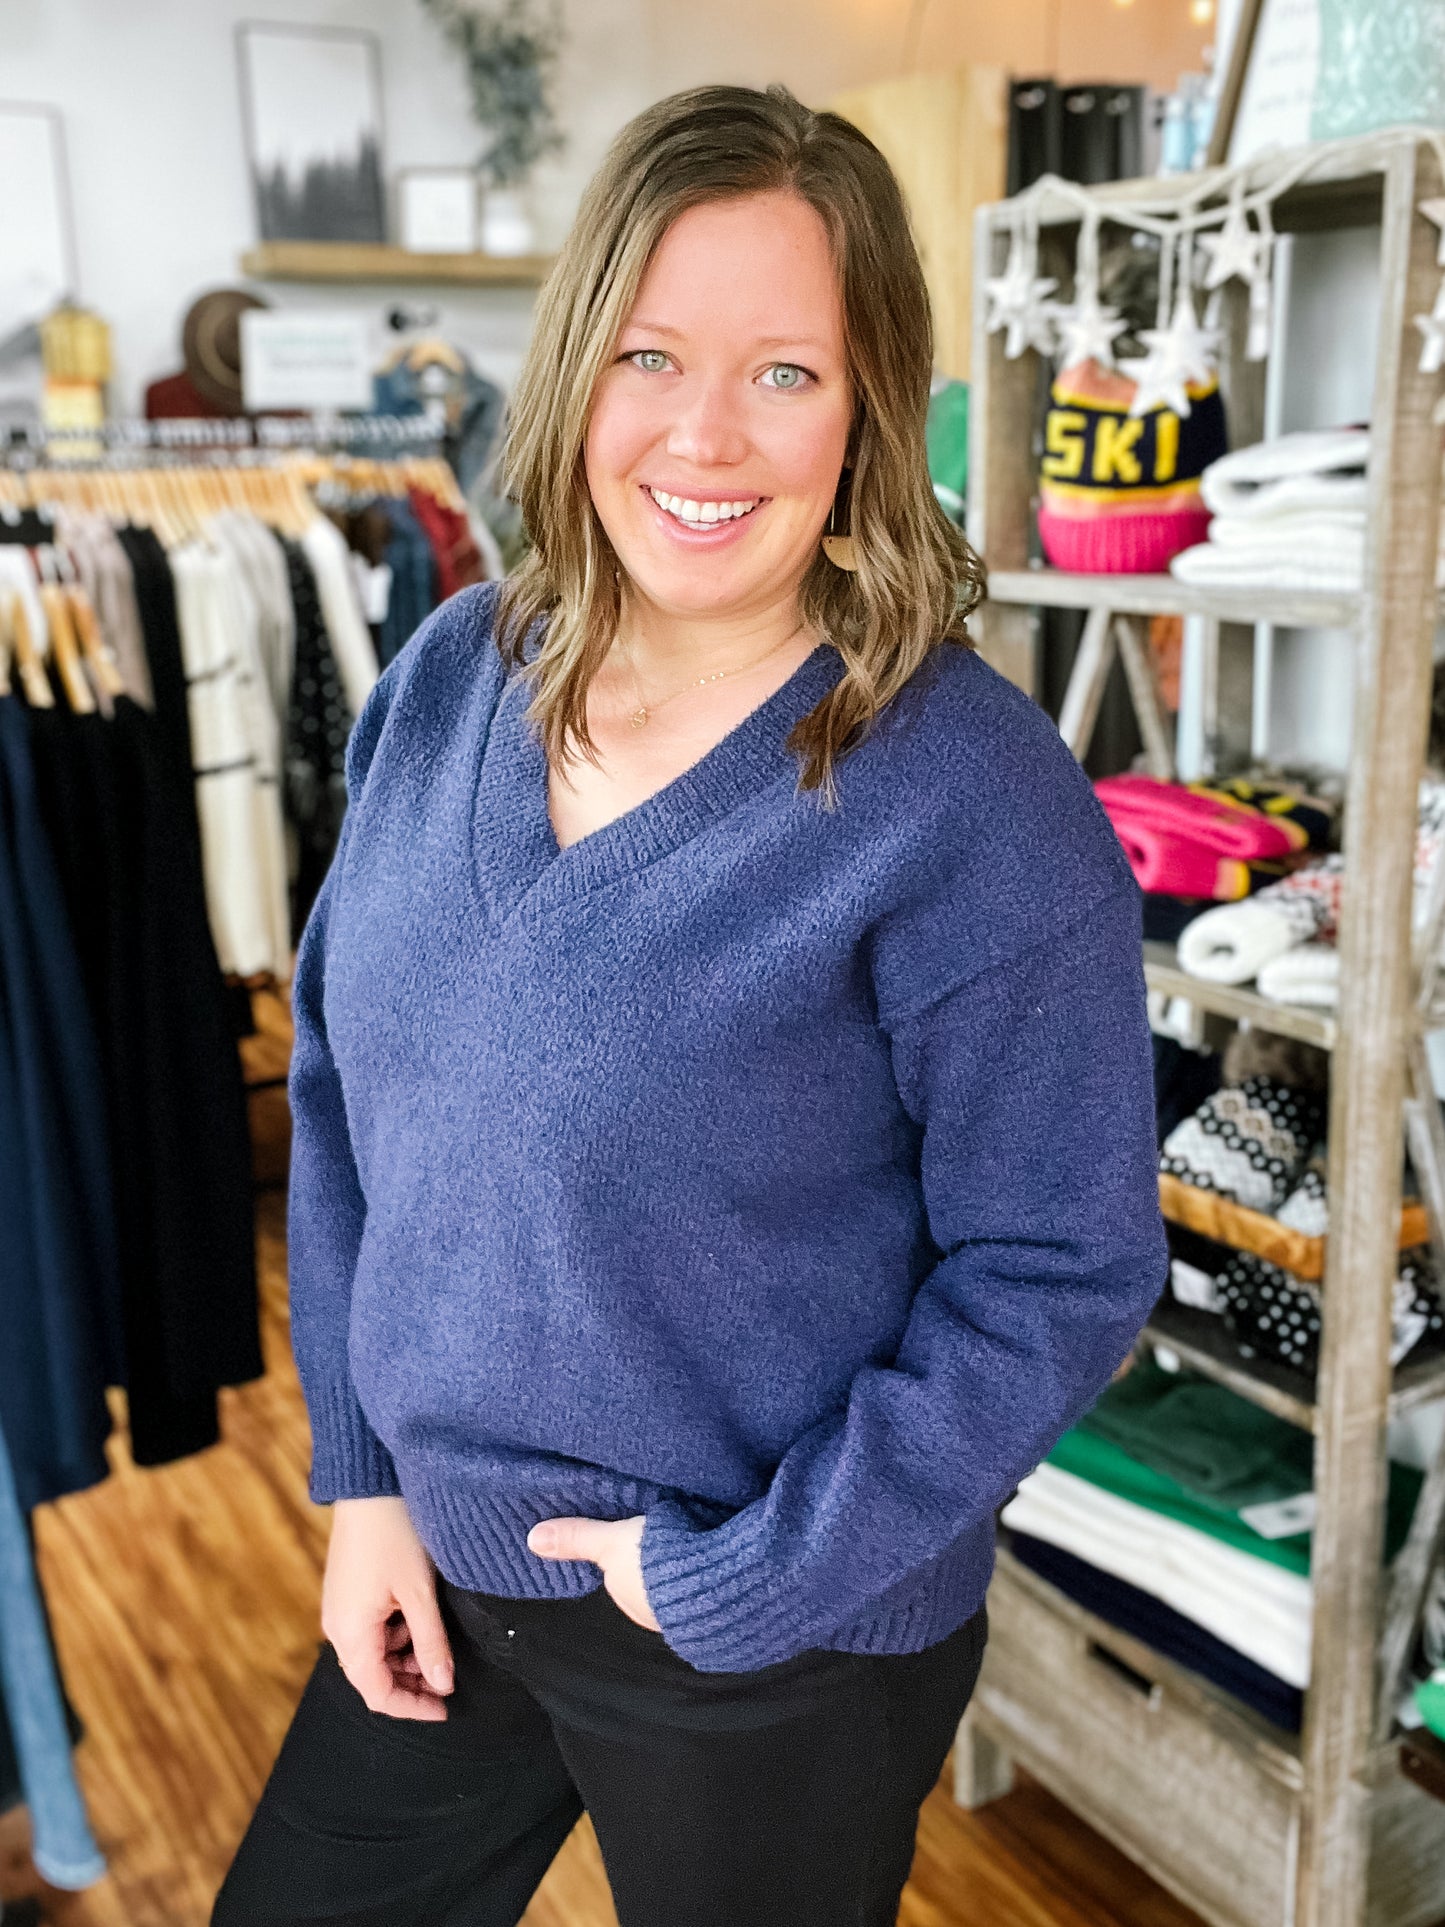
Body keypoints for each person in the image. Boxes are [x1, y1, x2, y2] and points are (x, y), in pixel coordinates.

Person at [213, 80, 1167, 1927]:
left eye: (783, 371)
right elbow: (340, 1095)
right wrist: (364, 1487)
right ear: (577, 367)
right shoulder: (448, 678)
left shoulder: (968, 798)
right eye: (649, 355)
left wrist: (752, 1577)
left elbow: (1060, 1264)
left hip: (771, 1639)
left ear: (867, 404)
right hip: (441, 1573)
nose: (703, 434)